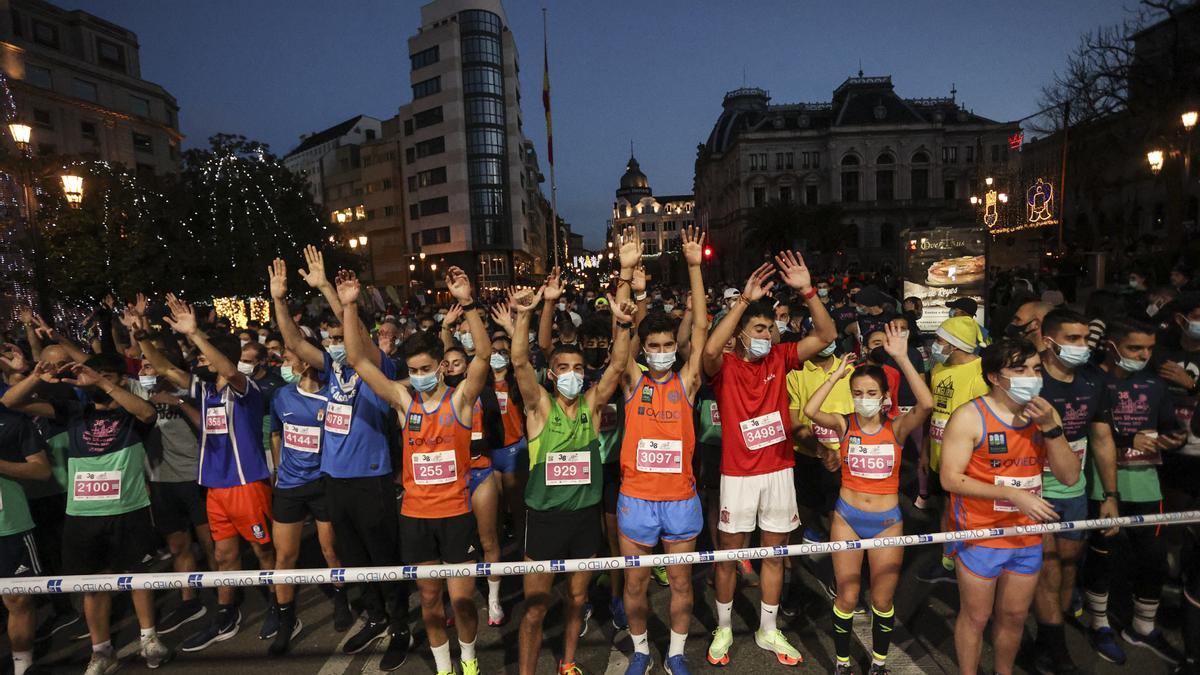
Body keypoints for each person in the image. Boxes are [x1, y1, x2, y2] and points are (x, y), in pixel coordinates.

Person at [341, 266, 490, 675]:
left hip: (456, 517)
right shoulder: (404, 402)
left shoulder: (460, 401)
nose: (421, 376)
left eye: (427, 369)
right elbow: (356, 358)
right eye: (415, 370)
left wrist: (470, 303)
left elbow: (483, 356)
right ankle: (444, 668)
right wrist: (349, 307)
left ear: (441, 367)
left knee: (461, 601)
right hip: (416, 518)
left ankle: (470, 662)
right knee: (428, 600)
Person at [271, 251, 414, 669]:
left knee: (384, 558)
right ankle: (374, 617)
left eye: (339, 338)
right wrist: (280, 300)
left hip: (372, 480)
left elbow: (359, 349)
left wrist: (339, 297)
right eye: (330, 339)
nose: (334, 346)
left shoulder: (378, 369)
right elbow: (295, 342)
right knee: (355, 559)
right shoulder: (334, 372)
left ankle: (401, 627)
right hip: (334, 481)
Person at [702, 251, 837, 667]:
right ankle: (723, 627)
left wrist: (808, 292)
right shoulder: (723, 366)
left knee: (775, 552)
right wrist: (742, 302)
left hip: (779, 469)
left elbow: (826, 334)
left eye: (771, 327)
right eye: (759, 329)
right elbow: (707, 349)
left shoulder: (781, 358)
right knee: (729, 551)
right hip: (738, 474)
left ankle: (768, 628)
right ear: (741, 335)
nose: (769, 334)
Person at [3, 357, 172, 673]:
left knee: (139, 577)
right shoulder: (72, 411)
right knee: (93, 585)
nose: (93, 379)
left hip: (129, 509)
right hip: (82, 513)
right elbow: (11, 400)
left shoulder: (129, 411)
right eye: (90, 374)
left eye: (105, 374)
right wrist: (38, 377)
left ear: (120, 379)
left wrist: (101, 381)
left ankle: (149, 637)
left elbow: (148, 413)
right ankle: (102, 651)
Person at [510, 277, 634, 675]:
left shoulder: (593, 405)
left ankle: (567, 663)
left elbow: (617, 365)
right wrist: (525, 314)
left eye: (578, 368)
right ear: (551, 374)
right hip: (545, 518)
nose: (571, 374)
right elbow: (518, 363)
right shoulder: (540, 407)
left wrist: (624, 325)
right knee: (535, 608)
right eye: (563, 367)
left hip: (584, 518)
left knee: (578, 599)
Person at [939, 338, 1081, 675]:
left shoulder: (1046, 414)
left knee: (1015, 616)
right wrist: (1013, 494)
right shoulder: (969, 416)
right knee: (976, 617)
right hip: (980, 533)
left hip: (1026, 536)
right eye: (1019, 370)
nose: (1031, 377)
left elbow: (1070, 475)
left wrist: (1051, 428)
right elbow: (950, 479)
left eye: (1035, 369)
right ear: (994, 377)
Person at [804, 323, 932, 674]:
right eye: (857, 392)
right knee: (846, 596)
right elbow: (812, 411)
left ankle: (877, 662)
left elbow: (927, 403)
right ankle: (843, 662)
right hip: (846, 518)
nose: (863, 398)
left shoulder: (897, 427)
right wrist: (835, 377)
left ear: (885, 395)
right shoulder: (844, 424)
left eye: (871, 392)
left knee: (881, 599)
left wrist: (903, 358)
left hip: (887, 523)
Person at [617, 225, 707, 675]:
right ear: (644, 350)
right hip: (636, 500)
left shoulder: (687, 382)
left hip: (680, 500)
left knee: (681, 583)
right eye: (653, 346)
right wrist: (627, 272)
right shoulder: (633, 380)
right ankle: (639, 651)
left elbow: (704, 326)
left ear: (676, 347)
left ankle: (674, 653)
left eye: (668, 345)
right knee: (635, 585)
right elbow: (624, 342)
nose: (661, 352)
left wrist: (694, 267)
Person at [1083, 319, 1186, 666]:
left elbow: (1170, 425)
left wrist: (1175, 437)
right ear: (1112, 346)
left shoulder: (1154, 384)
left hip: (1145, 481)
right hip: (1101, 483)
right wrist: (1127, 440)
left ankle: (1143, 627)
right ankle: (1099, 624)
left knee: (1153, 556)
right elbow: (1086, 429)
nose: (1143, 355)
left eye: (1149, 349)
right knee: (1103, 555)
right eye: (1135, 348)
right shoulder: (1091, 380)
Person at [1029, 309, 1119, 674]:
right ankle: (1060, 654)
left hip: (1074, 492)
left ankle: (1046, 643)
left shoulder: (1095, 381)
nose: (1083, 347)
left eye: (1085, 339)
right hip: (1033, 492)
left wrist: (1109, 495)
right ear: (1049, 341)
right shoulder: (1029, 379)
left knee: (1067, 572)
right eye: (1073, 339)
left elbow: (1100, 438)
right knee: (1049, 572)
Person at [264, 337, 352, 655]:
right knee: (284, 557)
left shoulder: (332, 395)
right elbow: (276, 433)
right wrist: (277, 471)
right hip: (289, 486)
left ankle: (341, 601)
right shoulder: (281, 396)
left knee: (330, 551)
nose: (286, 363)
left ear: (307, 360)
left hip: (323, 483)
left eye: (290, 357)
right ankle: (286, 619)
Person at [916, 315, 988, 584]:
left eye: (939, 341)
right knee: (945, 509)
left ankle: (971, 566)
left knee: (969, 513)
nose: (935, 345)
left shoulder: (982, 375)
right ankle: (948, 562)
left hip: (968, 465)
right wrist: (925, 450)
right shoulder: (938, 370)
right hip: (938, 459)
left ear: (956, 346)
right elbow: (932, 414)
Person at [0, 400, 53, 675]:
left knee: (18, 599)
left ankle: (23, 666)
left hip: (9, 525)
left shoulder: (13, 423)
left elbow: (42, 470)